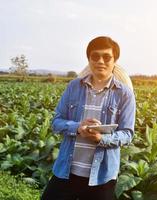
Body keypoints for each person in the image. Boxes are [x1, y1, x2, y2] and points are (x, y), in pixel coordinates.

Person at [41, 36, 136, 200]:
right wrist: (77, 127)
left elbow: (127, 134)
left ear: (114, 61)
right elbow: (56, 122)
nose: (101, 61)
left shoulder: (125, 94)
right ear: (89, 59)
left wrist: (101, 138)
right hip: (67, 171)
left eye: (107, 57)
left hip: (101, 176)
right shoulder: (74, 87)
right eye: (95, 56)